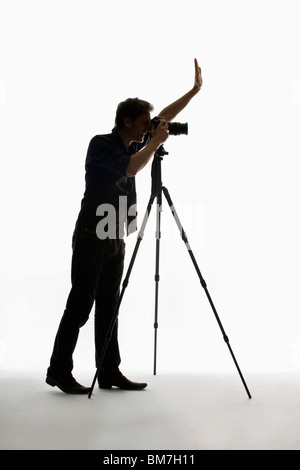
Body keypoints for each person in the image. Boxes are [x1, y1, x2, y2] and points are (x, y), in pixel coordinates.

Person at [46, 59, 203, 394]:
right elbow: (131, 170)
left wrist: (193, 91)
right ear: (126, 121)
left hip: (116, 234)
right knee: (80, 305)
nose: (150, 129)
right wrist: (155, 142)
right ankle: (58, 370)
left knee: (109, 309)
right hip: (92, 235)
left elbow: (165, 117)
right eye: (144, 124)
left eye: (151, 126)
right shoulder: (101, 144)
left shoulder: (136, 142)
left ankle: (109, 371)